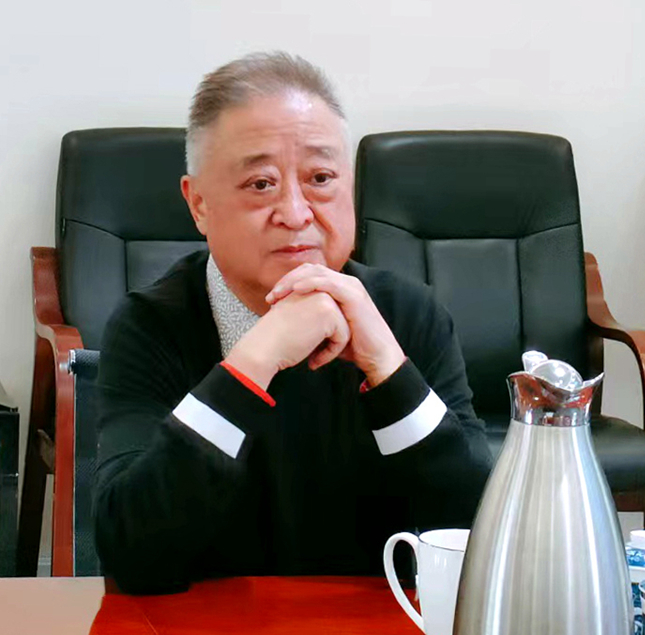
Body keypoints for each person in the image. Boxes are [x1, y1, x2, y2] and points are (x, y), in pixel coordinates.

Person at [94, 51, 492, 595]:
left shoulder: (407, 315)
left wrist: (390, 371)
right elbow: (131, 554)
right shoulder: (150, 326)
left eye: (320, 178)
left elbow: (478, 535)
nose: (297, 213)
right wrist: (254, 360)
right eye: (261, 184)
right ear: (199, 204)